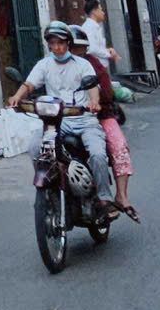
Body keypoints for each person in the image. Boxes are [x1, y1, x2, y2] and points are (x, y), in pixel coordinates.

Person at [7, 21, 115, 213]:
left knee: (98, 154)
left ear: (68, 44)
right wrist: (17, 97)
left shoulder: (83, 65)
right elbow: (29, 84)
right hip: (58, 122)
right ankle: (52, 182)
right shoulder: (44, 65)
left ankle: (105, 199)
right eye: (52, 43)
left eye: (60, 43)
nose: (56, 47)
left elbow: (92, 88)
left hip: (84, 120)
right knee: (35, 146)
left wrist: (93, 102)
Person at [71, 23, 137, 220]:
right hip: (68, 118)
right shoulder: (55, 65)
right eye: (72, 47)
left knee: (118, 147)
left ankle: (121, 196)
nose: (75, 51)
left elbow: (106, 92)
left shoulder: (93, 65)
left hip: (100, 117)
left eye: (79, 48)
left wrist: (95, 101)